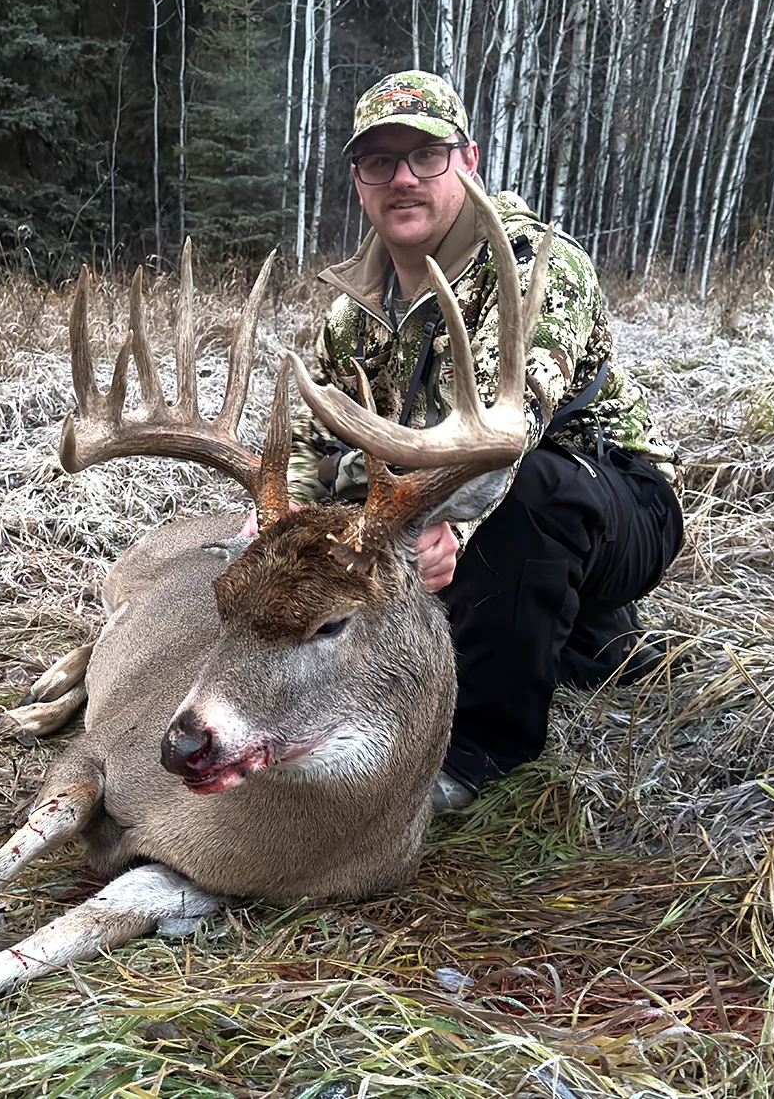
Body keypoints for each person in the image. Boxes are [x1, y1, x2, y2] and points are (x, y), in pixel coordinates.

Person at [285, 71, 683, 808]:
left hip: (615, 499)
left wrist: (444, 531)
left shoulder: (536, 265)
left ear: (467, 161)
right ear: (358, 181)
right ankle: (588, 640)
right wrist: (280, 523)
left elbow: (508, 433)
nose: (403, 178)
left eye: (426, 156)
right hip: (429, 503)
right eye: (380, 162)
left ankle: (476, 754)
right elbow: (316, 441)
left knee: (530, 495)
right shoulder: (350, 312)